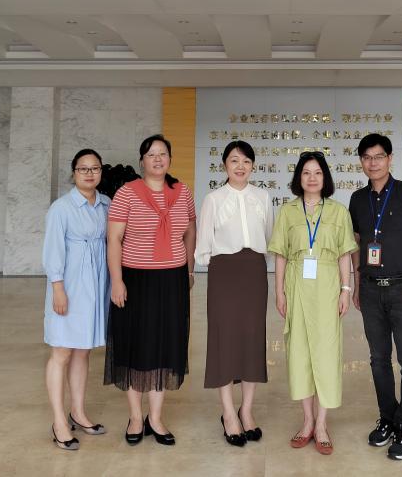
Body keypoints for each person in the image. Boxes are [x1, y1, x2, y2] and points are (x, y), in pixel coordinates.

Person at [105, 135, 196, 447]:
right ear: (142, 160)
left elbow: (190, 230)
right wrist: (117, 281)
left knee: (165, 346)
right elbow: (114, 239)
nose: (158, 159)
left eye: (163, 153)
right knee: (135, 345)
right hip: (135, 280)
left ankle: (155, 418)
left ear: (170, 158)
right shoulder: (126, 193)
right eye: (151, 154)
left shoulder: (182, 191)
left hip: (172, 280)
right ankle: (135, 416)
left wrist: (189, 268)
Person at [347, 134, 402, 461]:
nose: (373, 162)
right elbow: (357, 244)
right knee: (378, 359)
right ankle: (388, 418)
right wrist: (356, 283)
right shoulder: (357, 199)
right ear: (361, 161)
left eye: (379, 156)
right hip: (371, 289)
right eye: (367, 157)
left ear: (390, 158)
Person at [267, 151, 358, 456]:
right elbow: (280, 254)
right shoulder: (287, 212)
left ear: (325, 178)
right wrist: (279, 292)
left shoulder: (338, 212)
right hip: (296, 285)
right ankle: (307, 421)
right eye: (306, 172)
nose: (312, 178)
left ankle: (321, 424)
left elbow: (345, 254)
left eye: (317, 172)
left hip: (328, 286)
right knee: (299, 352)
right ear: (299, 178)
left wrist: (346, 289)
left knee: (326, 352)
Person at [195, 140, 273, 447]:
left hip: (254, 271)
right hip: (224, 272)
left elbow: (268, 237)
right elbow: (203, 244)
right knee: (224, 339)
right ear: (224, 165)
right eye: (234, 161)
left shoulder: (263, 197)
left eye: (246, 161)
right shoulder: (213, 199)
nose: (240, 167)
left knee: (253, 338)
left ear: (253, 166)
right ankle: (228, 413)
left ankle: (247, 410)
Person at [42, 149, 111, 451]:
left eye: (95, 168)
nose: (89, 173)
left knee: (83, 351)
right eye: (83, 169)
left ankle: (78, 412)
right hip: (69, 286)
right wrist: (58, 287)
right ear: (74, 173)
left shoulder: (106, 204)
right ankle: (59, 421)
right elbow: (52, 251)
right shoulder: (61, 208)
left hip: (95, 286)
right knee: (61, 352)